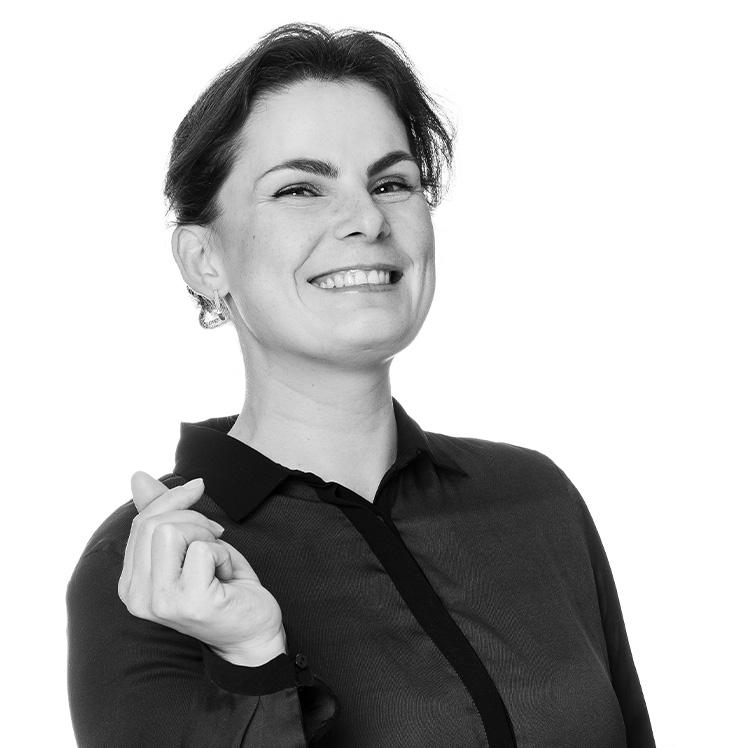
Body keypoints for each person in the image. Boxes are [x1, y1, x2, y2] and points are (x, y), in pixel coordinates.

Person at [66, 22, 656, 748]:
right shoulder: (152, 567)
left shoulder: (535, 500)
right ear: (204, 259)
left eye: (390, 183)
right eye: (300, 189)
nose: (368, 218)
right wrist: (251, 659)